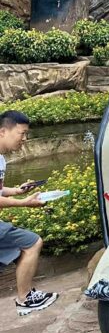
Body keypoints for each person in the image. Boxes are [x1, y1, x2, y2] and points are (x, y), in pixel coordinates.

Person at [0, 111, 59, 316]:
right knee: (32, 242)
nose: (24, 139)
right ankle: (24, 298)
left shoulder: (1, 159)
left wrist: (17, 190)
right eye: (21, 133)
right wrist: (24, 202)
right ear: (3, 131)